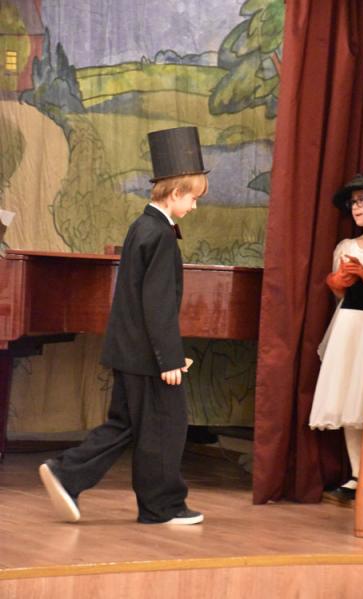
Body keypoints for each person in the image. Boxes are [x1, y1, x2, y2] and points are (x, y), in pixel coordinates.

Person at [39, 126, 209, 525]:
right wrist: (169, 359)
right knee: (166, 426)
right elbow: (158, 305)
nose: (195, 207)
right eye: (193, 198)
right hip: (147, 356)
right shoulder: (160, 235)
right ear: (176, 192)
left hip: (130, 350)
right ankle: (162, 506)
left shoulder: (142, 227)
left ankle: (67, 473)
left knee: (125, 425)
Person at [309, 171, 363, 503]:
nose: (356, 207)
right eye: (353, 202)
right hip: (350, 326)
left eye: (362, 201)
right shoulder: (346, 246)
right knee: (350, 396)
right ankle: (358, 473)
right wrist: (340, 280)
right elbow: (338, 292)